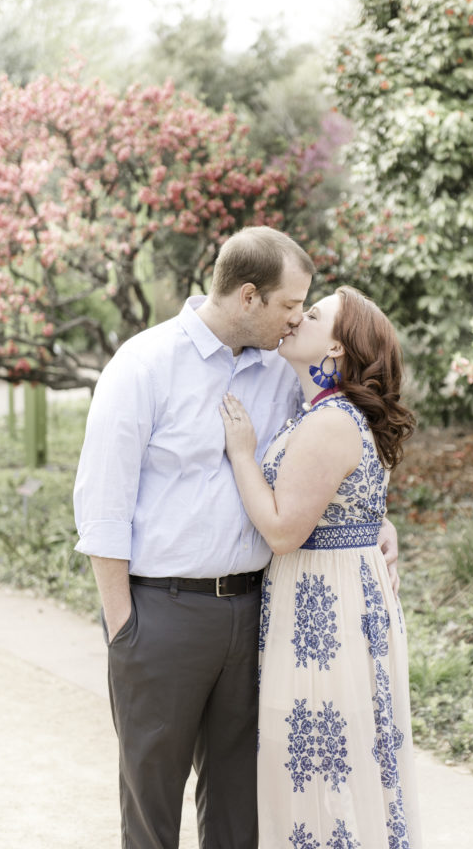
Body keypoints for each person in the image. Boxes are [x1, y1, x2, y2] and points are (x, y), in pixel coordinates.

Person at [73, 227, 400, 849]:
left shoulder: (281, 368)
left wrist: (373, 522)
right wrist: (124, 625)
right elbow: (102, 506)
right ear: (248, 297)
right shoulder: (144, 365)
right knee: (152, 803)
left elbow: (320, 462)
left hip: (258, 613)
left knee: (241, 805)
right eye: (289, 305)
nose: (297, 318)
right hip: (162, 613)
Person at [220, 285, 422, 849]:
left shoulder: (331, 420)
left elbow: (284, 531)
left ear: (336, 349)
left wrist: (241, 454)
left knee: (321, 768)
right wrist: (381, 526)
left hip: (324, 615)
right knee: (335, 762)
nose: (294, 320)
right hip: (333, 598)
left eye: (311, 315)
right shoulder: (327, 412)